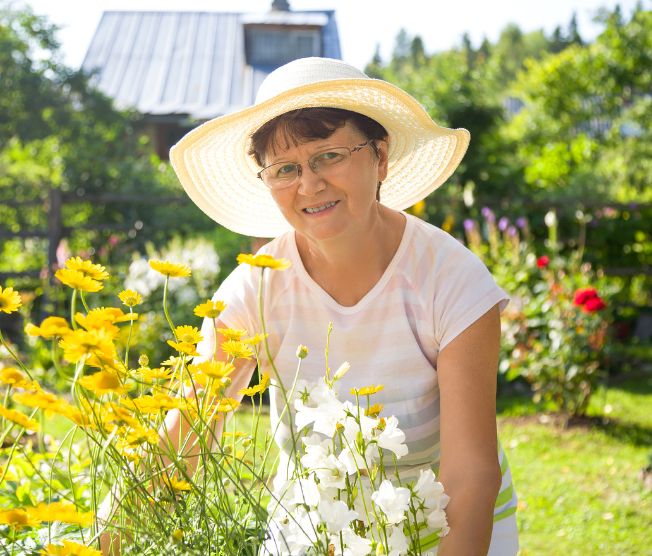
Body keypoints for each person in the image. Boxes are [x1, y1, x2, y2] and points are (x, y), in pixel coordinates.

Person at [169, 56, 519, 555]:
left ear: (380, 157)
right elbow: (182, 439)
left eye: (329, 156)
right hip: (312, 525)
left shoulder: (451, 279)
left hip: (447, 523)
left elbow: (470, 474)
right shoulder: (257, 287)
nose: (308, 185)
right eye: (285, 169)